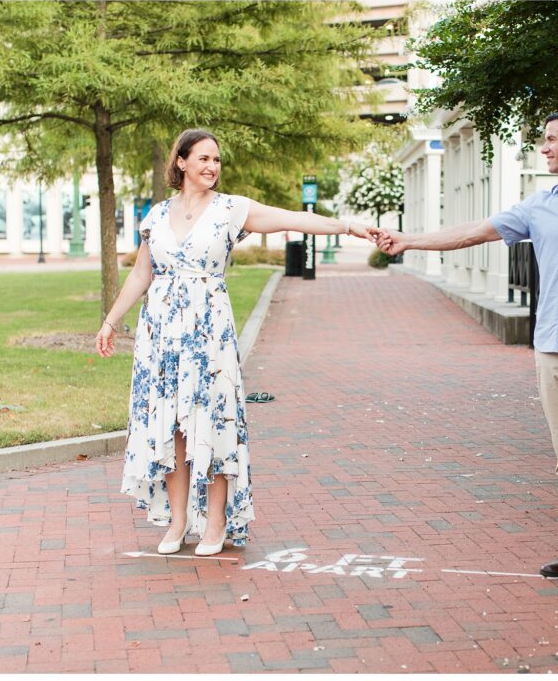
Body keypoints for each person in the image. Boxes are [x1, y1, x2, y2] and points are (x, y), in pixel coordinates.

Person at [376, 109, 558, 589]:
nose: (544, 148)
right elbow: (471, 232)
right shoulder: (538, 207)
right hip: (551, 347)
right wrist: (409, 241)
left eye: (551, 140)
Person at [96, 128, 378, 556]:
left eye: (217, 160)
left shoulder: (231, 210)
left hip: (208, 332)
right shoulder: (155, 216)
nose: (212, 167)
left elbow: (292, 218)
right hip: (161, 335)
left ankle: (216, 521)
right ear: (181, 162)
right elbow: (141, 274)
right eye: (204, 158)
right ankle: (177, 522)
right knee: (171, 425)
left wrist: (348, 227)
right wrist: (111, 321)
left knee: (212, 422)